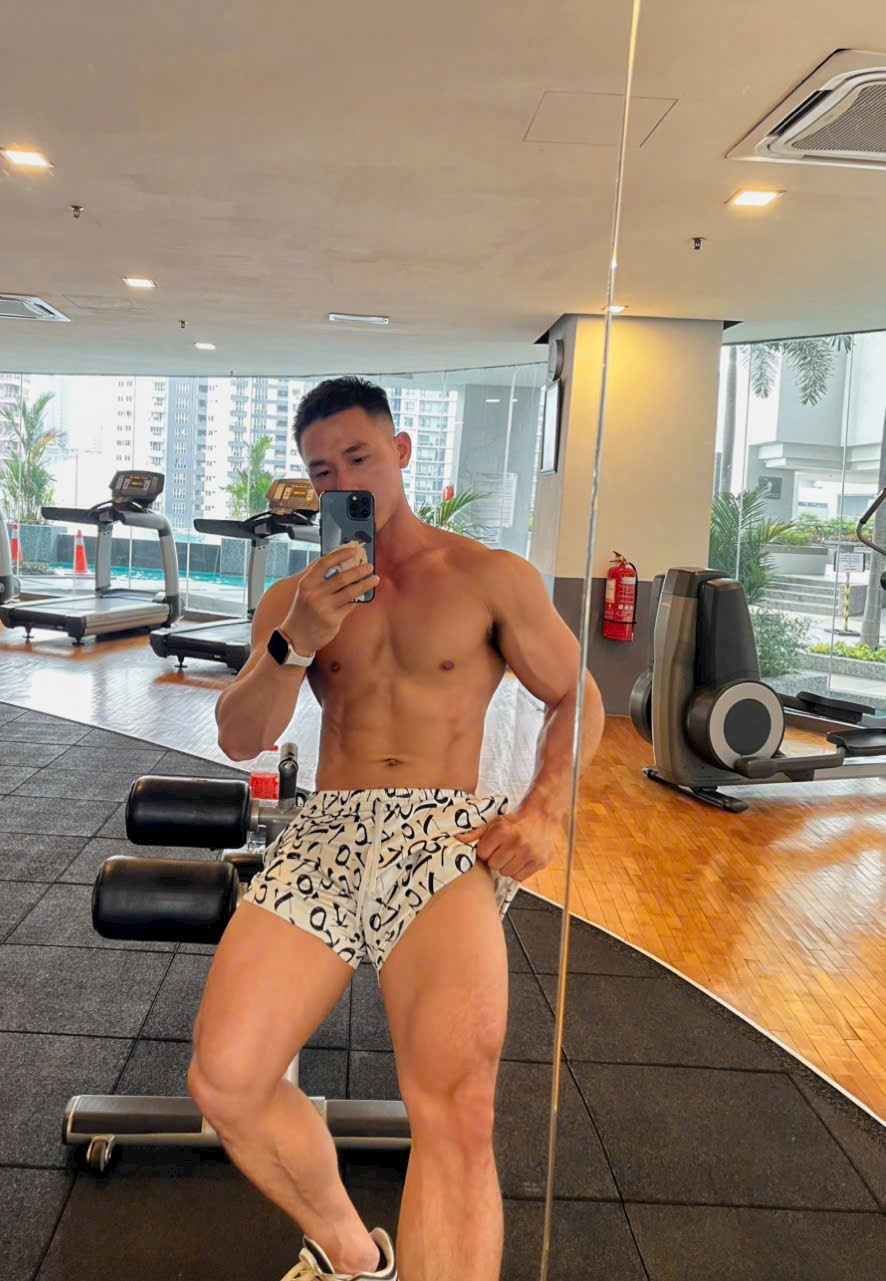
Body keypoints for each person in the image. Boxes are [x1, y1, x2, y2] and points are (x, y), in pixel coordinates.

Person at [189, 377, 605, 1281]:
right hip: (326, 833)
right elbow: (239, 736)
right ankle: (350, 1252)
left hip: (439, 835)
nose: (343, 480)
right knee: (226, 1080)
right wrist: (299, 637)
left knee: (457, 1109)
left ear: (402, 451)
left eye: (359, 457)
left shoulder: (488, 577)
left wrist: (545, 806)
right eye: (321, 470)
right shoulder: (294, 598)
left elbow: (578, 693)